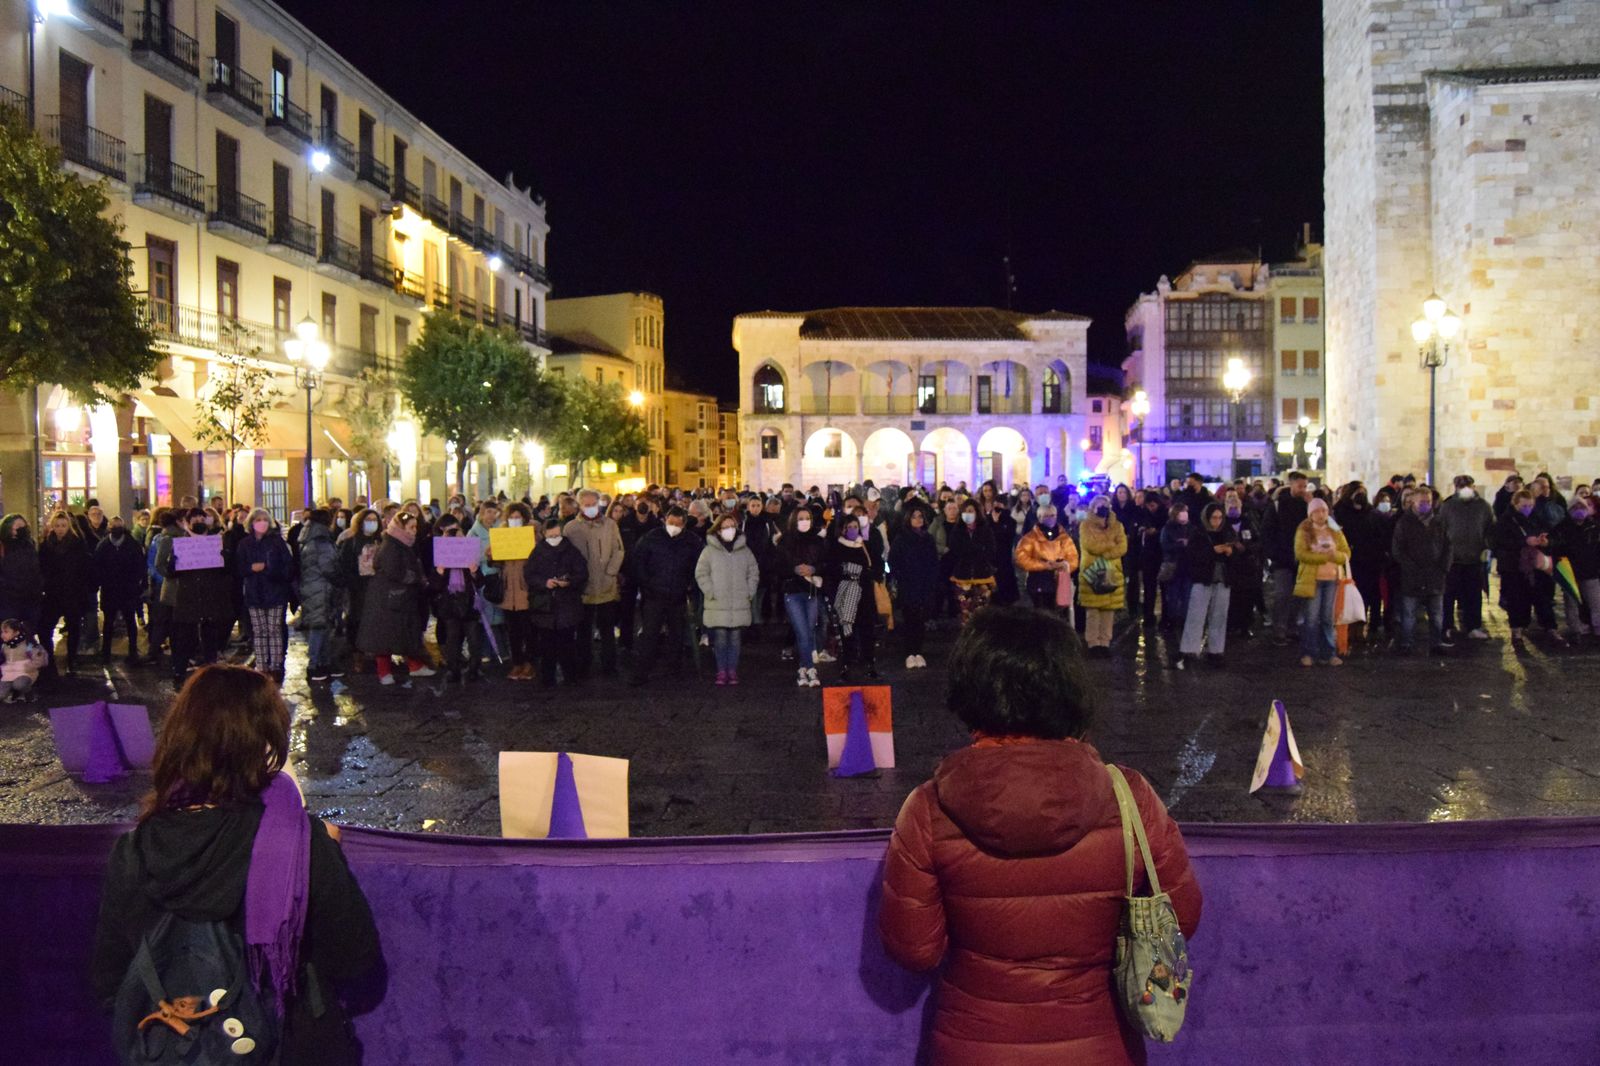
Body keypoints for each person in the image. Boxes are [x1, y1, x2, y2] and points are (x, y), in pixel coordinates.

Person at [878, 606, 1201, 1065]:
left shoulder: (928, 809)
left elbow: (914, 949)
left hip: (975, 1045)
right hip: (1100, 1045)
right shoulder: (1128, 797)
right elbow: (1181, 917)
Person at [90, 666, 380, 1064]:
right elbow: (355, 960)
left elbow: (109, 980)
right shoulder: (299, 843)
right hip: (289, 1047)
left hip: (176, 1046)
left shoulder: (135, 850)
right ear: (265, 743)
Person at [355, 511, 435, 686]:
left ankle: (414, 666)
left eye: (416, 527)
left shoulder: (401, 543)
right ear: (401, 528)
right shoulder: (392, 545)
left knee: (403, 633)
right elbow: (394, 570)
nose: (414, 531)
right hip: (388, 598)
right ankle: (385, 672)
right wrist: (414, 578)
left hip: (396, 597)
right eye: (411, 527)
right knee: (385, 636)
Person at [627, 507, 702, 687]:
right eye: (671, 523)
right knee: (649, 635)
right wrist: (646, 586)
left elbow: (698, 566)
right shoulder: (651, 538)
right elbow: (638, 562)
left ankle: (674, 670)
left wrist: (689, 585)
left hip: (678, 596)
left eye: (678, 524)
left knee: (677, 635)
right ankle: (641, 672)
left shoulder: (692, 541)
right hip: (654, 596)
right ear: (665, 521)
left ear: (684, 524)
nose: (673, 527)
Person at [564, 489, 625, 680]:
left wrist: (611, 572)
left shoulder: (610, 525)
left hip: (606, 584)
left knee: (607, 629)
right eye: (586, 505)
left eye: (593, 504)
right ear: (580, 505)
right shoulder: (571, 528)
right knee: (583, 630)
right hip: (583, 587)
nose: (590, 508)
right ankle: (583, 664)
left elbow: (618, 550)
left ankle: (609, 664)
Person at [1492, 488, 1564, 650]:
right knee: (1517, 601)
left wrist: (1545, 542)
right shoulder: (1506, 521)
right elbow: (1499, 543)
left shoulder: (1537, 519)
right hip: (1514, 568)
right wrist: (1524, 542)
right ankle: (1517, 632)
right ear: (1515, 504)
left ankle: (1550, 629)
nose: (1527, 509)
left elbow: (1551, 537)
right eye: (1524, 506)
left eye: (1530, 505)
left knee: (1543, 599)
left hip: (1537, 567)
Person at [696, 513, 760, 685]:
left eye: (732, 526)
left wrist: (749, 591)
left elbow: (753, 572)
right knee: (721, 639)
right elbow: (701, 573)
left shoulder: (745, 551)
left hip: (739, 602)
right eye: (725, 527)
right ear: (717, 530)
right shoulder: (708, 551)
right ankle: (721, 670)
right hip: (717, 603)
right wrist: (710, 591)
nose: (729, 530)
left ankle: (732, 670)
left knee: (735, 639)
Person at [1390, 487, 1454, 656]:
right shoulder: (1404, 523)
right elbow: (1398, 550)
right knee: (1409, 613)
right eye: (1422, 502)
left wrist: (1443, 568)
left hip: (1435, 576)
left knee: (1436, 613)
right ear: (1413, 503)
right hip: (1412, 576)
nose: (1426, 505)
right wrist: (1410, 567)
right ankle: (1407, 644)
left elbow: (1448, 547)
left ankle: (1436, 643)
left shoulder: (1439, 522)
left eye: (1428, 502)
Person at [525, 517, 588, 686]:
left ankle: (570, 676)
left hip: (567, 605)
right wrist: (544, 583)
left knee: (567, 643)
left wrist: (569, 582)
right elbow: (530, 575)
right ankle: (548, 677)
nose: (555, 539)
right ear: (544, 534)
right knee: (547, 645)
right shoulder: (537, 552)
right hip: (545, 608)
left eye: (557, 535)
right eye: (551, 536)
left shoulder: (572, 551)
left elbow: (582, 573)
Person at [1178, 504, 1240, 668]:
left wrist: (1230, 553)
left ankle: (1216, 650)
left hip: (1222, 578)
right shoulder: (1198, 533)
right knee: (1196, 615)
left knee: (1219, 616)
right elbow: (1192, 555)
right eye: (1214, 517)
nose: (1217, 521)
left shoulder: (1227, 532)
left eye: (1220, 518)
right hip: (1203, 578)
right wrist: (1212, 551)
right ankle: (1189, 650)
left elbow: (1238, 556)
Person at [236, 509, 295, 681]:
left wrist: (270, 570)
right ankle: (262, 664)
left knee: (274, 630)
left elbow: (288, 567)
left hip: (275, 592)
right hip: (254, 593)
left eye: (264, 520)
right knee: (259, 630)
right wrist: (250, 569)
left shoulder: (277, 543)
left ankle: (276, 665)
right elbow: (238, 568)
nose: (261, 523)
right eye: (258, 520)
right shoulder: (245, 544)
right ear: (251, 523)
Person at [825, 509, 883, 681]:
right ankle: (846, 663)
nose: (852, 529)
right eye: (849, 526)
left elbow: (875, 564)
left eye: (855, 526)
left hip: (864, 592)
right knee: (846, 629)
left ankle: (869, 662)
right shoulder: (836, 546)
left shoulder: (864, 545)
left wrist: (870, 575)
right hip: (846, 592)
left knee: (867, 629)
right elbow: (832, 571)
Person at [1294, 497, 1351, 667]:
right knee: (1311, 618)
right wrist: (1321, 557)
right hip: (1313, 579)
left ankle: (1329, 652)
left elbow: (1346, 552)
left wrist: (1336, 556)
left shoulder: (1335, 530)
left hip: (1332, 579)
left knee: (1327, 617)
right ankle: (1309, 652)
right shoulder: (1304, 530)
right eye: (1317, 511)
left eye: (1324, 511)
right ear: (1310, 514)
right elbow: (1300, 554)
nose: (1321, 514)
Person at [773, 506, 827, 684]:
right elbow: (778, 567)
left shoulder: (818, 541)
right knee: (802, 631)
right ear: (794, 520)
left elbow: (825, 563)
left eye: (807, 518)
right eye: (801, 518)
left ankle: (803, 668)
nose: (805, 521)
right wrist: (794, 569)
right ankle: (811, 668)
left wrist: (813, 569)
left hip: (811, 590)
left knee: (809, 630)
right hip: (793, 590)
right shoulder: (785, 541)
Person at [428, 515, 484, 685]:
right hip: (450, 602)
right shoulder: (439, 552)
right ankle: (454, 670)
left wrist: (474, 571)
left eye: (456, 531)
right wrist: (440, 571)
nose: (453, 535)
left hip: (469, 602)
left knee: (473, 638)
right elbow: (434, 585)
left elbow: (480, 581)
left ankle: (474, 668)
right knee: (452, 638)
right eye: (449, 532)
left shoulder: (468, 549)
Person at [1437, 475, 1494, 641]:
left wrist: (1487, 546)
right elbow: (1441, 529)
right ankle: (1446, 626)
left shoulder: (1483, 507)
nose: (1465, 488)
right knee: (1448, 596)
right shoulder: (1448, 506)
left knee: (1473, 595)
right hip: (1452, 559)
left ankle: (1473, 626)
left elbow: (1490, 528)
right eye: (1461, 485)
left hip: (1474, 558)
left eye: (1467, 485)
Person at [39, 510, 94, 675]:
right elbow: (42, 568)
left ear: (69, 526)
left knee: (74, 628)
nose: (60, 529)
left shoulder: (77, 544)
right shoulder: (46, 546)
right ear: (52, 527)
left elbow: (84, 569)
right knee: (44, 628)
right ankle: (50, 663)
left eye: (63, 525)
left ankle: (72, 660)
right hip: (53, 594)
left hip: (73, 593)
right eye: (57, 525)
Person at [889, 503, 940, 670]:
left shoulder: (928, 538)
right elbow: (893, 561)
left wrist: (931, 582)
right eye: (914, 516)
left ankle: (919, 652)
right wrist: (898, 577)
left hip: (924, 585)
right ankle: (909, 653)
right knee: (909, 619)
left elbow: (933, 562)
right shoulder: (901, 538)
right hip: (907, 584)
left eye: (920, 516)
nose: (918, 519)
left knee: (920, 619)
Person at [1077, 494, 1127, 655]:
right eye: (1098, 506)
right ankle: (1093, 643)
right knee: (1093, 610)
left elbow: (1123, 547)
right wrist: (1110, 544)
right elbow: (1091, 545)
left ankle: (1105, 642)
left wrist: (1107, 551)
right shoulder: (1085, 525)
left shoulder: (1117, 526)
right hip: (1093, 571)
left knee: (1108, 610)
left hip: (1112, 571)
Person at [93, 517, 147, 665]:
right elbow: (97, 567)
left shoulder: (131, 544)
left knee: (130, 621)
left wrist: (138, 583)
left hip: (127, 589)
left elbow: (140, 566)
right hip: (111, 589)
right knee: (109, 622)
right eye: (114, 525)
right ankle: (106, 653)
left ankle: (132, 651)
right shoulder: (104, 545)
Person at [296, 509, 342, 683]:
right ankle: (314, 665)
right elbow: (328, 567)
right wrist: (340, 578)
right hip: (321, 588)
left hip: (313, 586)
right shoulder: (321, 540)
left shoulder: (308, 536)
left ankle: (324, 663)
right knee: (319, 628)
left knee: (321, 627)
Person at [336, 508, 383, 674]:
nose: (371, 523)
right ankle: (358, 654)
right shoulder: (351, 542)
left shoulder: (382, 541)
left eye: (374, 520)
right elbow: (344, 566)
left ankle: (377, 655)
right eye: (368, 520)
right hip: (358, 589)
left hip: (378, 587)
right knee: (357, 620)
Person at [1014, 503, 1078, 613]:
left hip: (1059, 581)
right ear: (1039, 517)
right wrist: (1043, 565)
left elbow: (1073, 558)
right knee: (1040, 613)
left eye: (1053, 515)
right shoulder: (1030, 537)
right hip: (1038, 581)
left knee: (1059, 614)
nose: (1050, 519)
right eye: (1046, 516)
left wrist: (1063, 565)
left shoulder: (1064, 538)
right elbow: (1021, 558)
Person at [1554, 496, 1600, 641]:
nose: (1579, 511)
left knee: (1596, 602)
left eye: (1582, 507)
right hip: (1569, 570)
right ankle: (1576, 628)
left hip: (1590, 570)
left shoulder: (1593, 526)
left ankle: (1597, 627)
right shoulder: (1562, 527)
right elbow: (1555, 546)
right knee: (1571, 602)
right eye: (1575, 508)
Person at [945, 499, 996, 624]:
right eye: (965, 511)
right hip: (963, 576)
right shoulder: (957, 531)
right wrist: (975, 549)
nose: (968, 514)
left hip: (982, 575)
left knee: (982, 612)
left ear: (977, 513)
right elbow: (955, 551)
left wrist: (974, 550)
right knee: (965, 611)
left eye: (970, 511)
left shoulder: (985, 530)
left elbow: (991, 550)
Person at [0, 514, 43, 645]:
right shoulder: (3, 547)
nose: (21, 530)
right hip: (8, 601)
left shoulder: (30, 546)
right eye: (18, 527)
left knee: (27, 636)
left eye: (23, 526)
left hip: (30, 600)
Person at [0, 617, 47, 703]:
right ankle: (13, 692)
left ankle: (28, 692)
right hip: (9, 673)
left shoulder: (27, 645)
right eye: (2, 632)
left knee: (19, 684)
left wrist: (30, 666)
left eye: (6, 632)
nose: (2, 635)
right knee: (1, 694)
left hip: (24, 672)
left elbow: (38, 657)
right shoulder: (5, 646)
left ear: (16, 632)